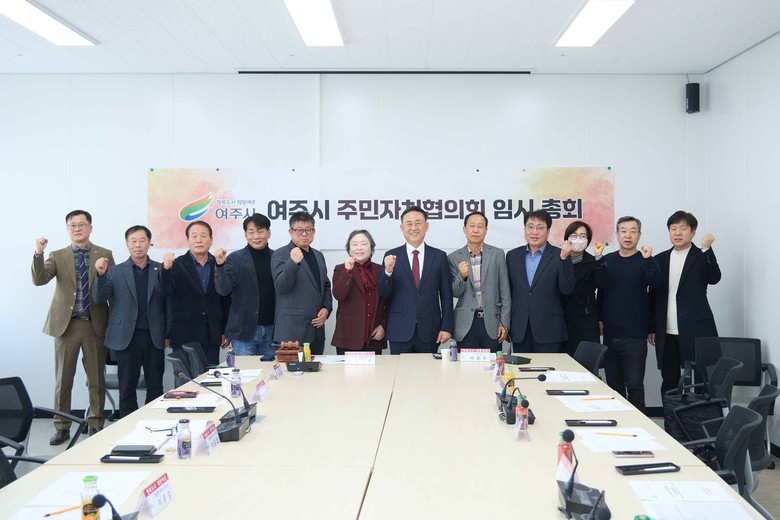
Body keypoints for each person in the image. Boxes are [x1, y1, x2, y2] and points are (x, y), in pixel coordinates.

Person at [31, 210, 114, 444]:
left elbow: (111, 288)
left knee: (96, 379)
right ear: (68, 229)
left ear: (90, 228)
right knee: (63, 379)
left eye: (82, 224)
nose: (77, 229)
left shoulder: (104, 254)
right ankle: (62, 426)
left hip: (94, 325)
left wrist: (113, 323)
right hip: (66, 326)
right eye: (72, 225)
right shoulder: (57, 255)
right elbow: (39, 279)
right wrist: (39, 253)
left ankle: (96, 423)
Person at [93, 226, 167, 419]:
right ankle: (128, 425)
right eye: (133, 241)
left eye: (142, 240)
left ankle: (153, 423)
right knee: (126, 387)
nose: (138, 245)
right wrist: (100, 275)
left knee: (155, 387)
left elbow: (168, 302)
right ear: (127, 244)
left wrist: (168, 333)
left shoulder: (161, 270)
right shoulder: (114, 272)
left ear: (149, 243)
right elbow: (99, 298)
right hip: (126, 336)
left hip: (153, 335)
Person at [649, 211, 721, 394]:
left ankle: (701, 413)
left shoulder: (700, 255)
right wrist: (652, 327)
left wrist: (707, 249)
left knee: (701, 379)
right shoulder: (660, 259)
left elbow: (714, 278)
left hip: (697, 328)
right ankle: (671, 413)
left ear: (693, 232)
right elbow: (653, 296)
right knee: (669, 379)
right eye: (673, 228)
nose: (677, 233)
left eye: (683, 228)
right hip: (667, 330)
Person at [599, 216, 664, 413]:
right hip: (610, 334)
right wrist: (599, 319)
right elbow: (601, 292)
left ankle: (640, 426)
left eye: (633, 231)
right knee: (613, 386)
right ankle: (618, 423)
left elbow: (657, 286)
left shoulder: (646, 260)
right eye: (624, 231)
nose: (628, 235)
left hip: (635, 336)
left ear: (639, 235)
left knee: (635, 385)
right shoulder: (607, 260)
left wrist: (649, 260)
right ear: (617, 234)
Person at [379, 206, 453, 354]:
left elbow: (446, 296)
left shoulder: (439, 256)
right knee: (399, 369)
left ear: (426, 226)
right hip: (400, 329)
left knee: (428, 369)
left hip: (430, 330)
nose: (414, 228)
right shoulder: (391, 256)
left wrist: (446, 327)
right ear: (402, 228)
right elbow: (383, 293)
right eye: (409, 223)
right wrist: (388, 272)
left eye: (418, 223)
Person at [161, 221, 229, 367]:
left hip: (211, 333)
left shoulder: (219, 263)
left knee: (210, 377)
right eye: (194, 236)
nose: (199, 240)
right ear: (188, 240)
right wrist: (165, 269)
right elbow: (165, 292)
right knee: (185, 378)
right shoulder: (176, 264)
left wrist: (224, 330)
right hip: (184, 334)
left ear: (211, 240)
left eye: (203, 236)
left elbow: (225, 300)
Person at [506, 210, 575, 353]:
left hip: (549, 330)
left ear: (548, 231)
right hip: (520, 329)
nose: (534, 232)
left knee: (548, 367)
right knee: (521, 367)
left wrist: (565, 260)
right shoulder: (512, 256)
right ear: (525, 229)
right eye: (530, 227)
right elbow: (508, 292)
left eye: (540, 227)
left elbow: (567, 289)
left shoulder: (559, 255)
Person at [215, 213, 276, 360]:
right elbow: (224, 290)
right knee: (245, 372)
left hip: (272, 330)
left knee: (273, 372)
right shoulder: (235, 259)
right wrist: (220, 265)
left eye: (260, 231)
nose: (256, 236)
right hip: (244, 331)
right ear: (245, 235)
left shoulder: (277, 257)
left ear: (269, 233)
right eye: (251, 232)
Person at [447, 211, 511, 352]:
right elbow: (455, 292)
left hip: (493, 321)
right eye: (472, 226)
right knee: (465, 364)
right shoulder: (453, 258)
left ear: (486, 230)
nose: (476, 230)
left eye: (480, 226)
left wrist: (505, 322)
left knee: (493, 363)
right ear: (464, 229)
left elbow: (505, 291)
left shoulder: (497, 254)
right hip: (465, 323)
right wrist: (462, 276)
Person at [271, 211, 332, 355]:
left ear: (314, 231)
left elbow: (325, 286)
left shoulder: (318, 255)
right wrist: (292, 263)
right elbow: (281, 286)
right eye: (299, 230)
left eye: (308, 230)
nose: (304, 234)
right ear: (290, 232)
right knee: (290, 370)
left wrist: (326, 308)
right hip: (292, 332)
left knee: (316, 368)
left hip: (316, 330)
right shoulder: (280, 254)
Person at [331, 230, 388, 355]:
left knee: (376, 369)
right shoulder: (340, 269)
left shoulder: (380, 270)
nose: (359, 248)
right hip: (348, 337)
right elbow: (339, 295)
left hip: (374, 336)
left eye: (364, 244)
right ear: (349, 249)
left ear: (371, 248)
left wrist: (383, 326)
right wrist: (348, 271)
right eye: (355, 244)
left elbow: (388, 302)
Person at [561, 221, 607, 357]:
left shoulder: (593, 261)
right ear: (567, 238)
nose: (578, 240)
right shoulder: (559, 260)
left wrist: (598, 258)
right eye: (574, 235)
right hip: (562, 321)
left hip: (585, 322)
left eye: (582, 236)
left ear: (588, 240)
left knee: (586, 363)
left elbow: (602, 284)